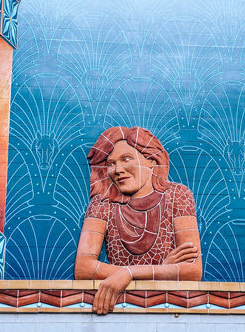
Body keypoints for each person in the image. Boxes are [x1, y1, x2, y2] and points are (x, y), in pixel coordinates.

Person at [75, 126, 202, 315]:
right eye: (110, 164)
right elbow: (83, 268)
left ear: (150, 160)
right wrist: (161, 270)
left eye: (126, 159)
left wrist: (128, 273)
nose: (118, 170)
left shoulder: (178, 196)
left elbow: (192, 271)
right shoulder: (102, 204)